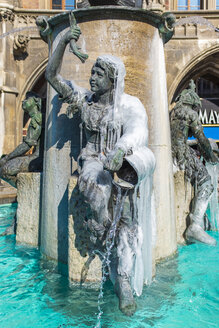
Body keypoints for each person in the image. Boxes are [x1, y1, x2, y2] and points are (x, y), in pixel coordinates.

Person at [46, 24, 155, 316]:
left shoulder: (130, 105)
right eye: (92, 72)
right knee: (93, 185)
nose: (91, 78)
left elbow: (137, 131)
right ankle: (105, 239)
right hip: (93, 158)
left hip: (120, 159)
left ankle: (123, 279)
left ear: (113, 78)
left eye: (98, 74)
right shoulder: (85, 100)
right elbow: (51, 76)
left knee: (127, 216)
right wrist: (61, 43)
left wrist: (120, 149)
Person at [170, 80, 218, 246]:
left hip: (170, 152)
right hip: (181, 153)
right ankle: (195, 226)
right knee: (207, 184)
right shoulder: (190, 114)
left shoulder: (172, 112)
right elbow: (202, 138)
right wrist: (211, 156)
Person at [0, 92, 43, 188]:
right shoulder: (37, 117)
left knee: (5, 170)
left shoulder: (37, 118)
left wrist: (6, 158)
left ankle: (27, 190)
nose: (24, 101)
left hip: (38, 159)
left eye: (28, 99)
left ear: (35, 102)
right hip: (36, 157)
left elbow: (26, 146)